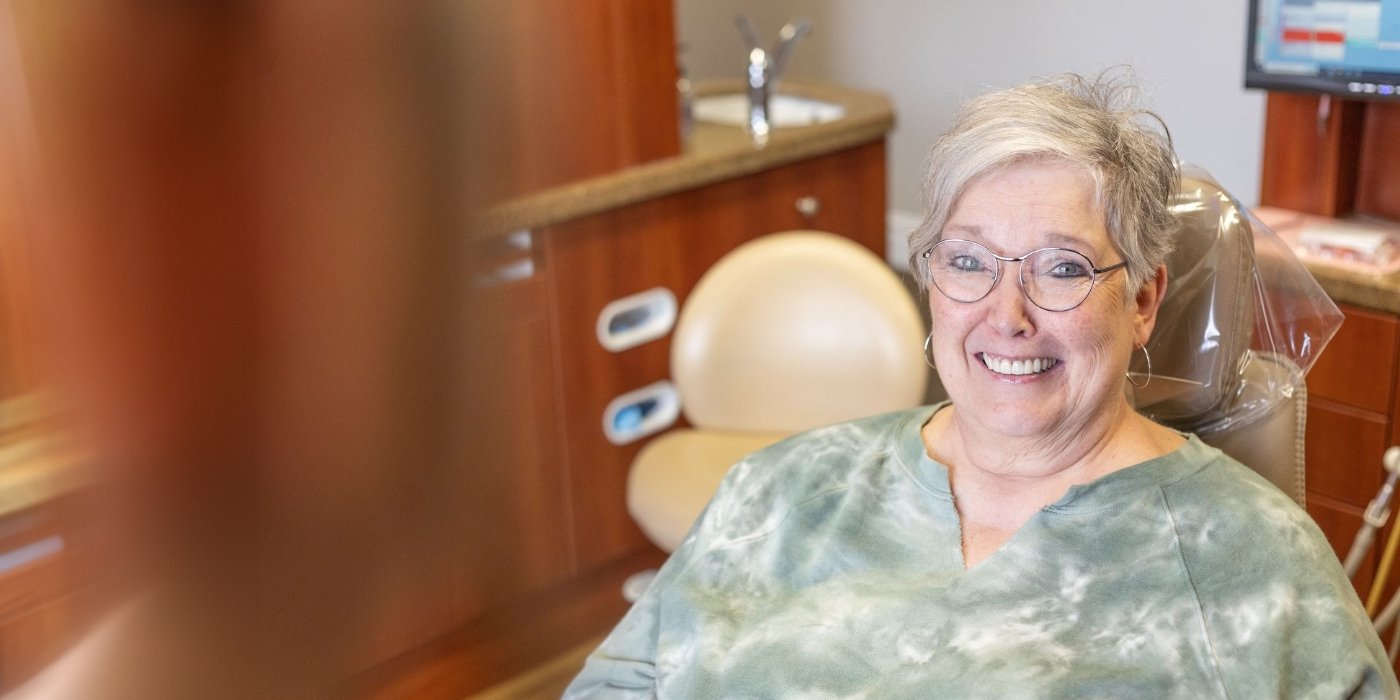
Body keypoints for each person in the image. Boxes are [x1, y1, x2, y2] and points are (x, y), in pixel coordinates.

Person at [563, 73, 1400, 698]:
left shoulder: (1255, 567)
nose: (1007, 315)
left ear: (1144, 299)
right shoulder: (782, 493)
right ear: (931, 277)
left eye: (1061, 269)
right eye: (968, 261)